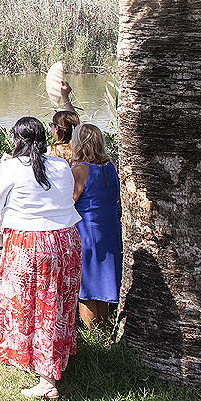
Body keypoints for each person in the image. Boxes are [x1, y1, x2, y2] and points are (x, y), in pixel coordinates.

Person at [0, 116, 82, 400]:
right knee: (58, 305)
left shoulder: (11, 167)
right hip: (67, 240)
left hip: (31, 244)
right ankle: (51, 364)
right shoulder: (61, 165)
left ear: (17, 141)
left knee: (30, 306)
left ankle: (47, 381)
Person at [65, 122, 120, 328]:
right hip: (109, 230)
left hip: (86, 232)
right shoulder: (111, 167)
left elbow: (69, 201)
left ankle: (93, 334)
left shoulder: (80, 170)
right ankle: (103, 328)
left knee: (85, 287)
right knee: (103, 284)